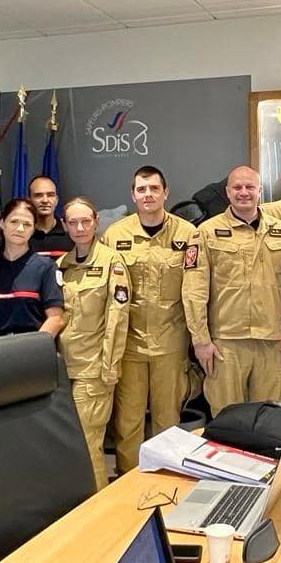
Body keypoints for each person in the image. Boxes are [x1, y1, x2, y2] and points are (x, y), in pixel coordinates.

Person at [103, 166, 197, 473]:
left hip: (170, 343)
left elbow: (197, 288)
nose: (148, 195)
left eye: (154, 188)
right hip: (129, 344)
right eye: (141, 189)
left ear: (165, 193)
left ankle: (166, 480)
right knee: (127, 422)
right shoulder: (115, 235)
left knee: (167, 422)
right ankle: (128, 483)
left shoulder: (187, 234)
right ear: (133, 195)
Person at [183, 165, 281, 417]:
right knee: (228, 420)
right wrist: (200, 340)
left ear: (260, 190)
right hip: (225, 343)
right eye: (237, 187)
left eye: (249, 187)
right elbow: (193, 291)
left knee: (272, 419)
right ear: (227, 192)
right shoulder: (206, 233)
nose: (243, 192)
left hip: (272, 343)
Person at [57, 197, 130, 490]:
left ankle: (96, 506)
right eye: (73, 222)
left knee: (88, 446)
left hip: (93, 370)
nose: (80, 228)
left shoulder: (112, 262)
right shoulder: (61, 266)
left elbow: (117, 317)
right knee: (68, 447)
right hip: (63, 371)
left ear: (96, 222)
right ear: (64, 225)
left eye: (85, 221)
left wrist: (109, 366)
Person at [0, 198, 64, 339]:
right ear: (2, 223)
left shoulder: (46, 267)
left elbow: (56, 319)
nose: (20, 229)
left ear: (33, 229)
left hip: (33, 348)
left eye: (27, 224)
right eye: (14, 222)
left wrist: (33, 347)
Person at [28, 174, 74, 257]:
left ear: (56, 200)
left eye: (50, 195)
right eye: (38, 195)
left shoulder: (72, 233)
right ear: (29, 200)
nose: (45, 200)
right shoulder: (22, 235)